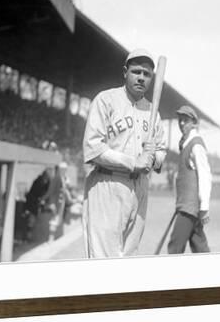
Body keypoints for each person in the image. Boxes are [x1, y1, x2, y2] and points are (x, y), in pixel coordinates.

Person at [82, 49, 167, 258]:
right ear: (125, 72)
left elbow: (162, 150)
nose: (141, 78)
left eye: (146, 74)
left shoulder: (153, 112)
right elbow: (93, 147)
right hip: (107, 184)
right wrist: (132, 161)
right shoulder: (106, 100)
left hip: (139, 188)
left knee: (129, 259)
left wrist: (153, 156)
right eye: (136, 72)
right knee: (103, 260)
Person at [167, 105, 212, 254]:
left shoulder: (196, 144)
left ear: (194, 123)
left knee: (175, 248)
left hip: (189, 209)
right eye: (180, 120)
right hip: (186, 206)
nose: (181, 123)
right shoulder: (185, 143)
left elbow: (205, 176)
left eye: (185, 120)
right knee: (200, 248)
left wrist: (204, 207)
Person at [43, 162, 68, 243]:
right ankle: (51, 238)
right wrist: (43, 199)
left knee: (57, 219)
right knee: (54, 220)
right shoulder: (56, 178)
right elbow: (50, 191)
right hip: (55, 202)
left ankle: (54, 237)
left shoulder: (62, 178)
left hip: (60, 202)